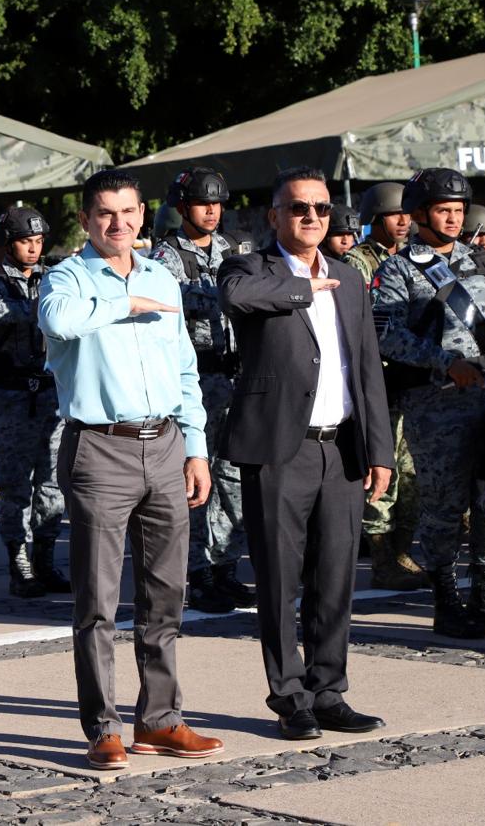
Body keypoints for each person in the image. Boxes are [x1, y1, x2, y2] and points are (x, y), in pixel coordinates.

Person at [39, 169, 222, 771]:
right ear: (88, 220)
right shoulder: (66, 276)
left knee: (167, 592)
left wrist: (195, 447)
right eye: (105, 214)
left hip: (165, 443)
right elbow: (59, 322)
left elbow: (186, 369)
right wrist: (124, 303)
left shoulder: (161, 274)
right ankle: (104, 728)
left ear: (143, 215)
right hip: (101, 447)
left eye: (129, 213)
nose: (119, 224)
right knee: (96, 598)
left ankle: (160, 719)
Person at [219, 166, 394, 742]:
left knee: (337, 577)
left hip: (340, 447)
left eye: (320, 208)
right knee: (278, 579)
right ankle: (289, 696)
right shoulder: (249, 267)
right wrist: (302, 287)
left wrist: (379, 450)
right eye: (299, 208)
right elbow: (236, 299)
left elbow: (366, 369)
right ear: (274, 216)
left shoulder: (346, 277)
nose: (312, 217)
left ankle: (329, 692)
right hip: (278, 450)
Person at [371, 168, 485, 639]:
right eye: (442, 210)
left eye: (458, 210)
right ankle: (446, 599)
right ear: (418, 214)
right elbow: (386, 334)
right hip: (437, 405)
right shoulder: (398, 268)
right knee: (445, 505)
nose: (453, 219)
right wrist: (443, 361)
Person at [149, 167, 252, 614]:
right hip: (194, 381)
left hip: (236, 378)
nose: (211, 210)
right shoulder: (166, 256)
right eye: (201, 203)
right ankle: (197, 571)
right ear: (182, 207)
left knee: (233, 478)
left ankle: (226, 566)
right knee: (193, 476)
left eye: (217, 203)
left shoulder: (237, 248)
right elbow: (169, 304)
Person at [0, 207, 68, 597]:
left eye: (39, 241)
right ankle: (19, 562)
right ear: (8, 243)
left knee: (52, 483)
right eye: (26, 241)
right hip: (11, 398)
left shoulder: (52, 277)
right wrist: (42, 310)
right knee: (14, 485)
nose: (33, 248)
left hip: (49, 393)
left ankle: (44, 560)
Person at [341, 181, 425, 590]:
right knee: (383, 473)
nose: (404, 221)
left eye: (407, 214)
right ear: (375, 218)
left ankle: (401, 549)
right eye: (395, 214)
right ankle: (380, 558)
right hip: (377, 383)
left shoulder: (413, 259)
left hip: (409, 380)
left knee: (412, 476)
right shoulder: (356, 262)